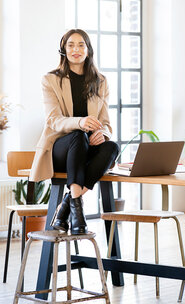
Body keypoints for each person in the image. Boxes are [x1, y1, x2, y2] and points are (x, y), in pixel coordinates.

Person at [29, 28, 119, 235]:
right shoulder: (50, 80)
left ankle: (68, 205)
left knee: (112, 146)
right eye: (70, 45)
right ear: (63, 49)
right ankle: (78, 215)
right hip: (60, 149)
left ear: (88, 50)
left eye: (81, 45)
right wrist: (81, 123)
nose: (76, 49)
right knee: (78, 136)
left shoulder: (101, 82)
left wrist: (102, 134)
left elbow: (105, 122)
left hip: (87, 150)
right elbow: (53, 120)